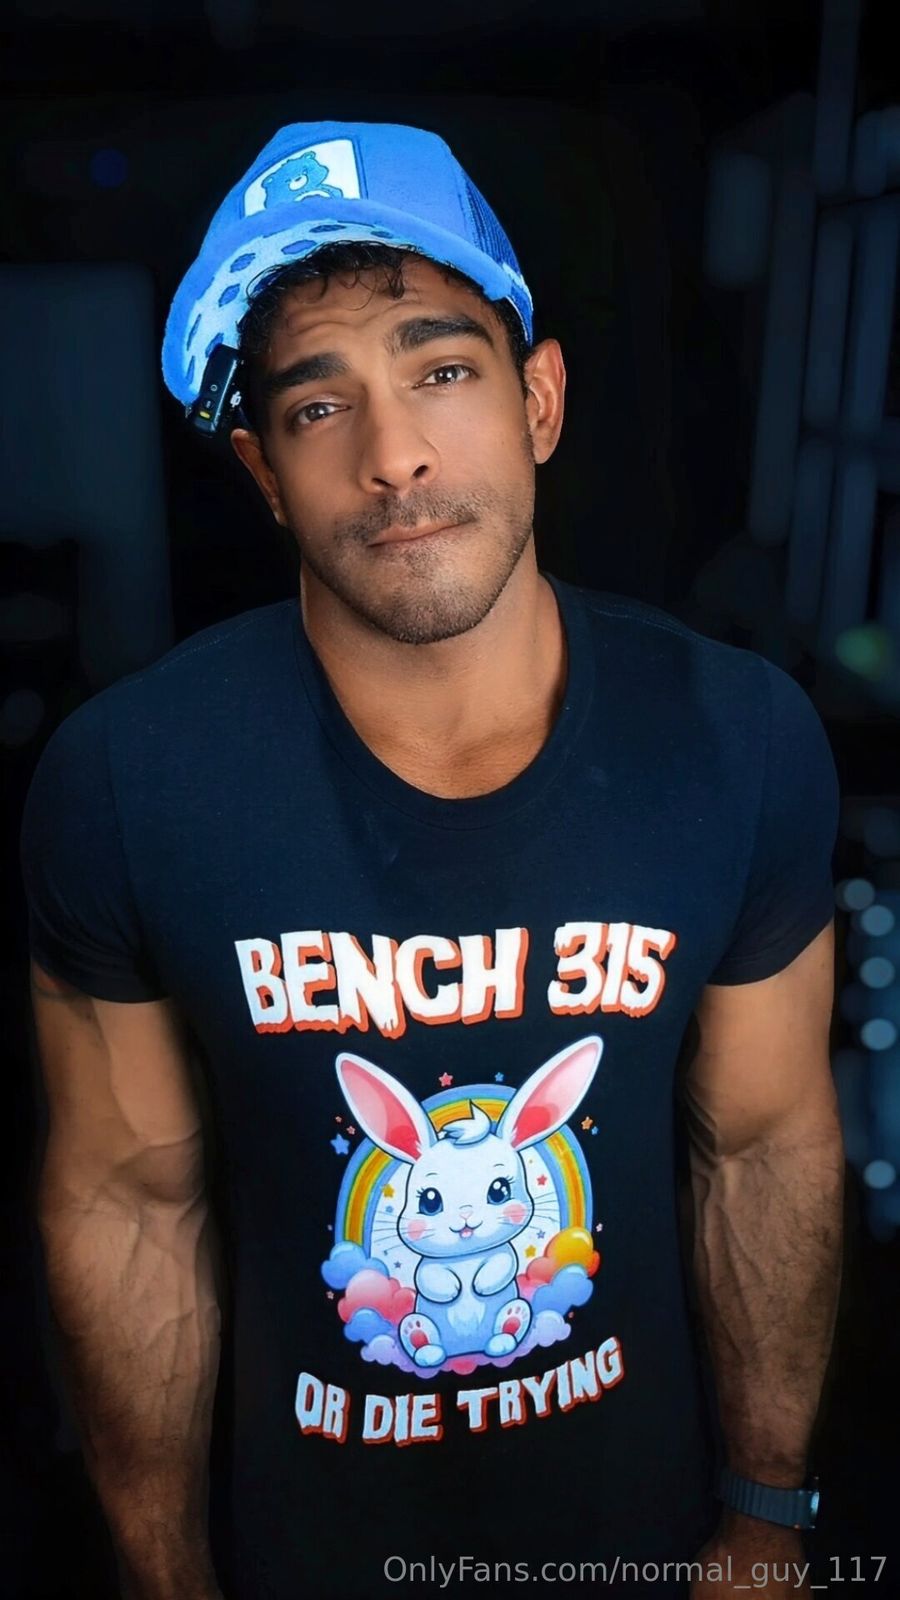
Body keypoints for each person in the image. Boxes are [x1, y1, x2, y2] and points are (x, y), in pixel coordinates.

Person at [20, 120, 844, 1600]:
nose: (393, 455)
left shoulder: (739, 738)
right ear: (264, 472)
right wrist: (164, 1579)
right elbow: (130, 1204)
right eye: (317, 404)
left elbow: (766, 1145)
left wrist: (767, 1520)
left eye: (443, 371)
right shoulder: (128, 783)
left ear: (540, 398)